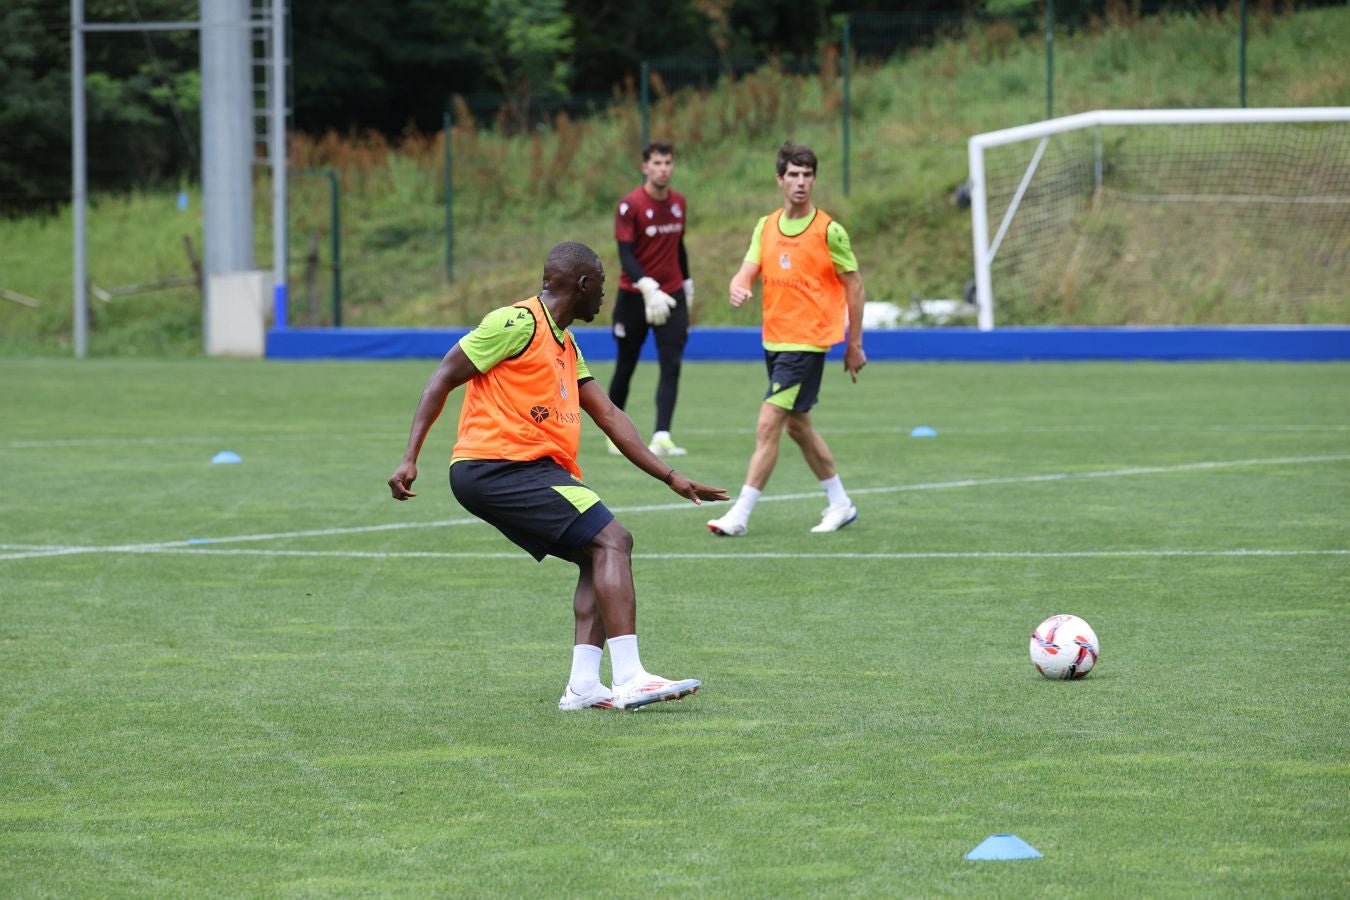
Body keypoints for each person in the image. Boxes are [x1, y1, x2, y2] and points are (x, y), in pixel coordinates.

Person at [388, 242, 727, 711]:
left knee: (597, 554)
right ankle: (631, 676)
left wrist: (670, 477)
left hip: (529, 468)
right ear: (583, 285)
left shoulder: (566, 345)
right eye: (602, 287)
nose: (605, 297)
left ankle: (584, 687)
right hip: (497, 465)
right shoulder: (515, 323)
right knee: (614, 540)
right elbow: (443, 375)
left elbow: (609, 415)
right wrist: (410, 457)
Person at [706, 142, 867, 538]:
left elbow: (855, 287)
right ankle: (840, 503)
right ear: (780, 179)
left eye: (808, 174)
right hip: (774, 341)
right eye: (793, 174)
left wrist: (855, 343)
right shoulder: (766, 225)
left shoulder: (829, 230)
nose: (801, 182)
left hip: (808, 343)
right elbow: (746, 272)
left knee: (769, 423)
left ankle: (739, 515)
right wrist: (738, 287)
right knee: (799, 428)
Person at [607, 140, 693, 458]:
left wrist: (687, 282)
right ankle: (613, 433)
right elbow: (625, 254)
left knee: (671, 365)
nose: (663, 169)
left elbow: (678, 246)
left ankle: (662, 435)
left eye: (668, 162)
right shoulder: (630, 205)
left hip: (671, 296)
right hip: (634, 297)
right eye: (656, 163)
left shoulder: (679, 203)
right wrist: (646, 285)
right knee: (626, 365)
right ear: (645, 167)